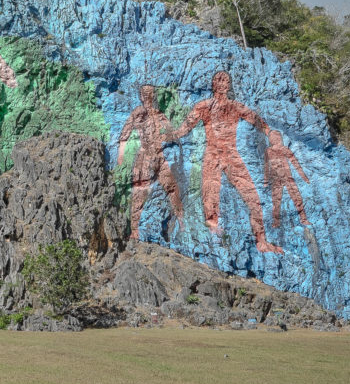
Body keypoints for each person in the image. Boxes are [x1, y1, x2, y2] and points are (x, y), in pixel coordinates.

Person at [169, 71, 282, 253]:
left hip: (231, 155)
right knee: (210, 194)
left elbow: (257, 121)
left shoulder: (236, 107)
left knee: (252, 196)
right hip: (212, 154)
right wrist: (170, 135)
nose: (222, 84)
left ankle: (261, 240)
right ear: (213, 84)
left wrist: (271, 135)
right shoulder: (203, 106)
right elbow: (186, 127)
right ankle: (212, 230)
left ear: (229, 85)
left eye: (226, 80)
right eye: (218, 80)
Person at [117, 84, 184, 239]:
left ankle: (181, 222)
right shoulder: (138, 113)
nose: (147, 96)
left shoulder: (159, 114)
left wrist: (166, 136)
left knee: (172, 187)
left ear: (153, 95)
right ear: (141, 96)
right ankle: (134, 230)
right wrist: (121, 155)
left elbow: (171, 132)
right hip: (144, 156)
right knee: (139, 191)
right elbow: (125, 132)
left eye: (150, 93)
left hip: (159, 156)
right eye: (144, 93)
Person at [264, 130, 311, 229]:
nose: (275, 140)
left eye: (276, 137)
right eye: (272, 138)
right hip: (276, 179)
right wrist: (265, 180)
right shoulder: (268, 151)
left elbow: (295, 164)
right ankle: (276, 222)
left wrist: (304, 177)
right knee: (276, 202)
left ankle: (303, 218)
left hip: (287, 177)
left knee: (297, 198)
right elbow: (266, 167)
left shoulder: (284, 149)